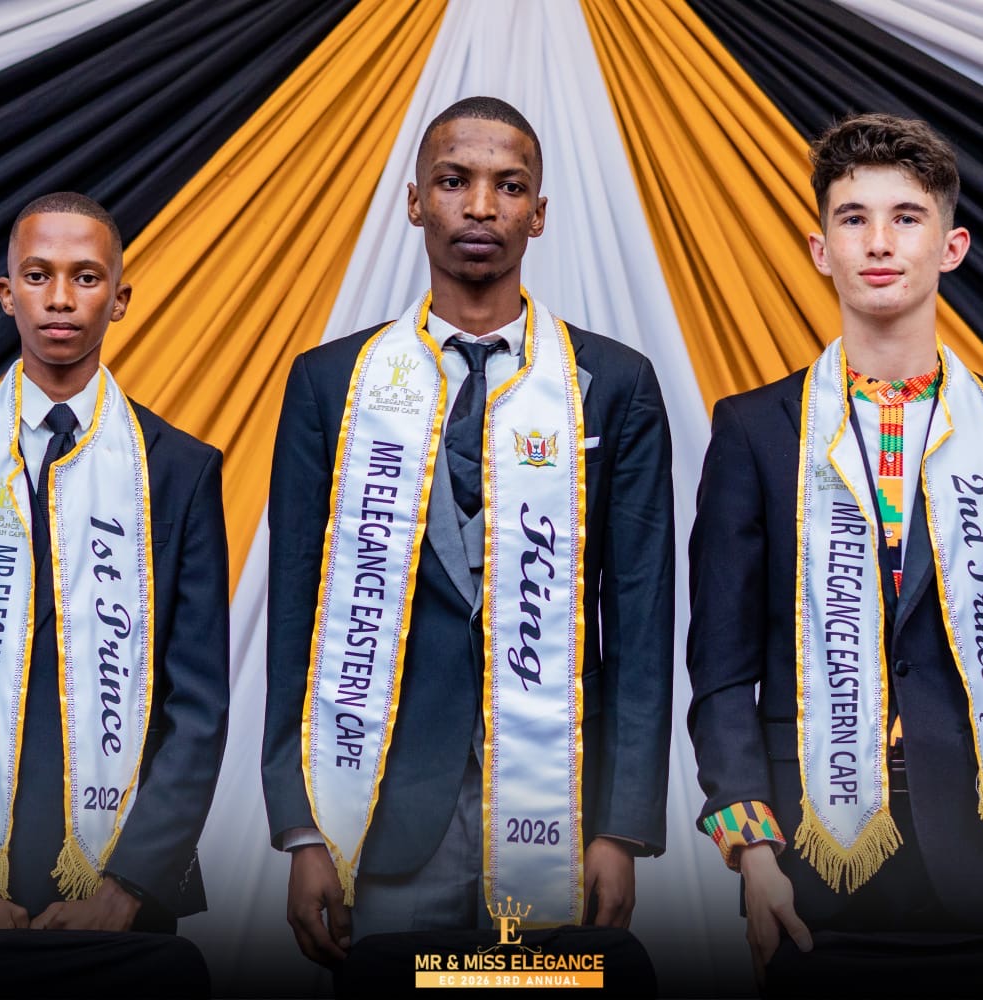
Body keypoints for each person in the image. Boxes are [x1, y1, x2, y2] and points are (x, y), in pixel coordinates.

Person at [686, 114, 983, 984]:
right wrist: (754, 855)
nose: (879, 242)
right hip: (810, 873)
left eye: (906, 217)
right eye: (853, 219)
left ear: (952, 247)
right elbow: (722, 674)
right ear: (821, 249)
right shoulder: (754, 431)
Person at [262, 96, 675, 965]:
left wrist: (623, 827)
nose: (482, 206)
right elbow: (296, 614)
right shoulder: (331, 384)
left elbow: (641, 624)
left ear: (539, 212)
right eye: (454, 181)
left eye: (509, 186)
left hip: (564, 814)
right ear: (416, 201)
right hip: (382, 815)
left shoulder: (615, 384)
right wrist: (302, 830)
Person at [0, 192, 229, 935]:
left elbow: (197, 706)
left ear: (119, 299)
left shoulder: (180, 472)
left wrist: (128, 889)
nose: (60, 298)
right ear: (7, 294)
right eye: (37, 275)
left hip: (123, 900)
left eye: (86, 277)